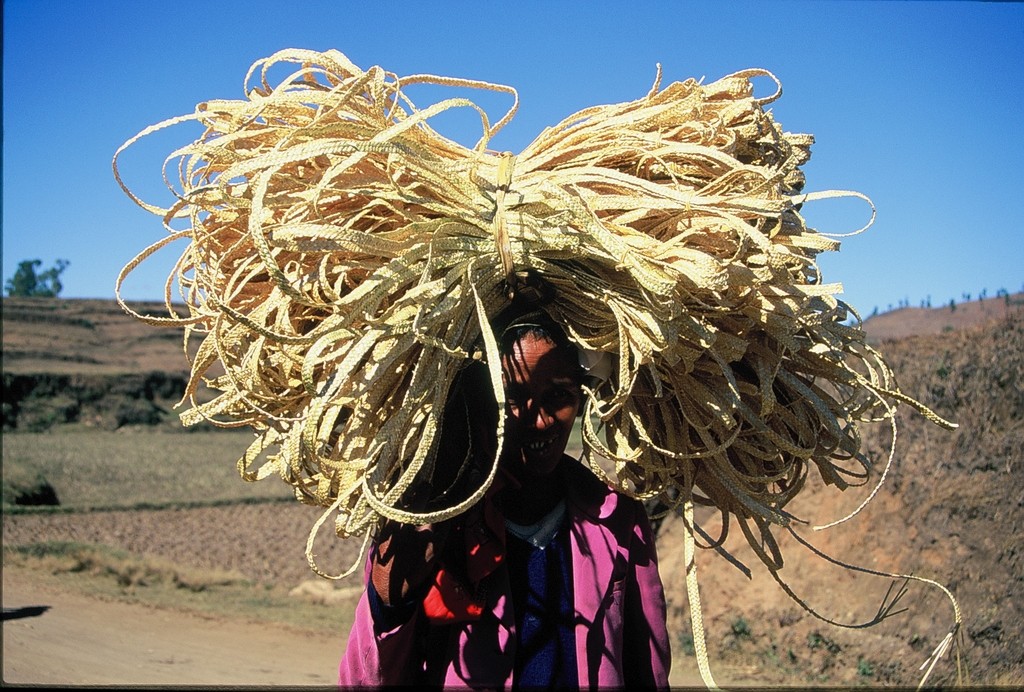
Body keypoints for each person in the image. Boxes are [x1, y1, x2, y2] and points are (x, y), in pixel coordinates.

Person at [339, 307, 671, 689]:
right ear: (478, 400)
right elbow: (364, 678)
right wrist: (389, 603)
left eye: (559, 395)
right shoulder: (429, 521)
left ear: (580, 399)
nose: (540, 419)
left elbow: (648, 670)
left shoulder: (617, 519)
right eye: (512, 396)